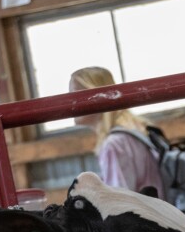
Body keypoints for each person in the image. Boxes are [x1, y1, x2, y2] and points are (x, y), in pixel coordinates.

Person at [68, 66, 165, 199]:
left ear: (95, 96)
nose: (69, 103)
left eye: (75, 95)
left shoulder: (114, 144)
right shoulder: (134, 131)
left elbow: (120, 205)